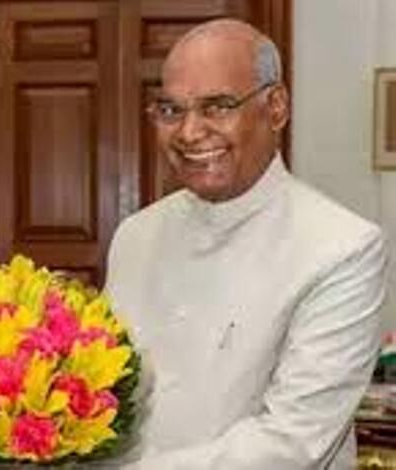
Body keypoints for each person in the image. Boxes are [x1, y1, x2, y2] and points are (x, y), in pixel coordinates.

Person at [105, 19, 387, 470]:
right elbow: (100, 396)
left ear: (275, 108)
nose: (189, 132)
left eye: (217, 106)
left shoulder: (341, 247)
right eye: (171, 110)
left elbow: (290, 444)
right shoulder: (135, 235)